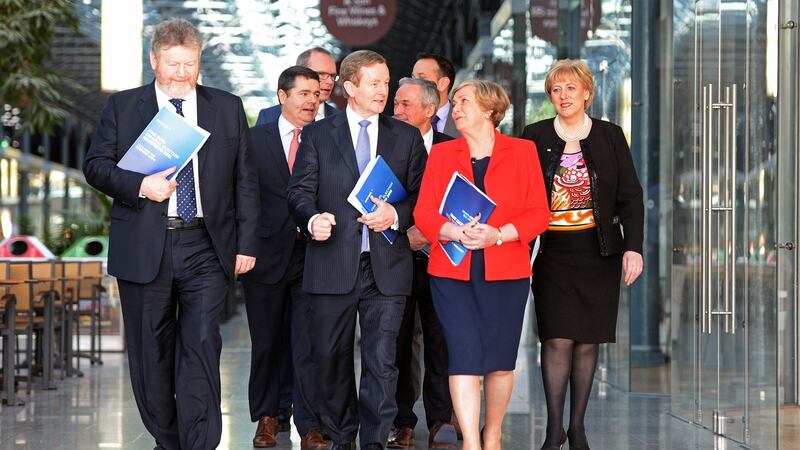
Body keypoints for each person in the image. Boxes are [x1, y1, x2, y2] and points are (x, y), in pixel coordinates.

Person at [83, 19, 258, 450]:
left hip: (205, 244)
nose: (182, 75)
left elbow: (246, 180)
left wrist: (247, 244)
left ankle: (200, 443)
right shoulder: (124, 108)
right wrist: (141, 185)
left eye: (191, 64)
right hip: (146, 243)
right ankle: (169, 440)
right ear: (153, 60)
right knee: (151, 353)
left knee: (201, 342)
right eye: (173, 64)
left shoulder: (226, 106)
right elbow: (96, 167)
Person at [286, 50, 428, 450]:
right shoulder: (316, 134)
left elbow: (420, 196)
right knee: (330, 360)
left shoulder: (406, 136)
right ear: (350, 88)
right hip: (332, 262)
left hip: (387, 265)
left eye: (386, 82)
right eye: (375, 83)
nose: (384, 90)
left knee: (383, 362)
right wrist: (311, 219)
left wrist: (396, 214)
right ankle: (342, 437)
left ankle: (374, 441)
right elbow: (298, 193)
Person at [413, 80, 549, 450]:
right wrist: (452, 231)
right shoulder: (443, 154)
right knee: (464, 355)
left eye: (464, 102)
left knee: (501, 358)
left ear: (489, 110)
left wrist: (499, 234)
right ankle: (472, 441)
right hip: (452, 274)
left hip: (506, 269)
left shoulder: (523, 151)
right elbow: (423, 211)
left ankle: (493, 433)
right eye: (453, 102)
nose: (455, 108)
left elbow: (540, 212)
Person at [520, 59, 644, 450]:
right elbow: (520, 194)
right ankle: (554, 429)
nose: (563, 96)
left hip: (600, 253)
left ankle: (578, 428)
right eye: (556, 90)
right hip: (554, 253)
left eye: (571, 88)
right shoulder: (534, 136)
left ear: (587, 92)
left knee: (587, 341)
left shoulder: (610, 136)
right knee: (556, 339)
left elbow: (631, 198)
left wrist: (635, 249)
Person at [241, 66, 328, 449]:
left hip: (314, 252)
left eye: (316, 94)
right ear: (282, 96)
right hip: (264, 254)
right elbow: (239, 195)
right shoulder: (252, 139)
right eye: (304, 93)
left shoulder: (327, 137)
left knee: (309, 342)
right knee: (266, 342)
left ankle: (310, 423)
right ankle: (267, 416)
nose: (312, 100)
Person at [388, 77, 455, 449]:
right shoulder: (385, 146)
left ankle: (440, 420)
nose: (396, 111)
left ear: (430, 110)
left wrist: (431, 232)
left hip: (442, 256)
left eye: (405, 105)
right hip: (396, 258)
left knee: (440, 340)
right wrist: (403, 233)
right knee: (396, 342)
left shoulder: (452, 149)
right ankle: (403, 421)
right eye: (395, 104)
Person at [257, 47, 340, 125]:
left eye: (332, 76)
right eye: (321, 74)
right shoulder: (268, 117)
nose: (329, 81)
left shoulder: (342, 120)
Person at [411, 53, 461, 138]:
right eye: (412, 78)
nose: (412, 84)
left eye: (422, 78)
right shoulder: (402, 120)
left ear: (443, 84)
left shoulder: (466, 120)